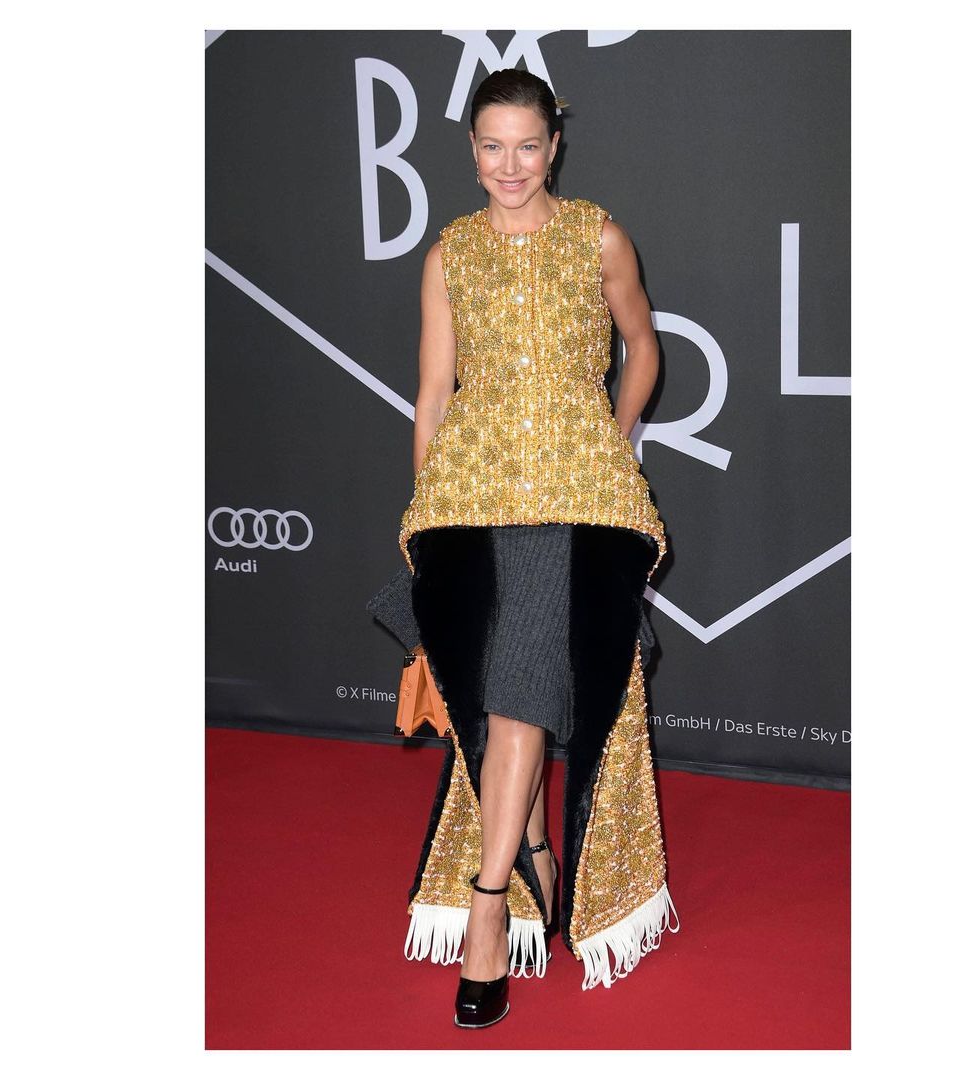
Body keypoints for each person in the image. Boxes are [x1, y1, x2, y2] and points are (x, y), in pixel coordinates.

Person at [367, 68, 678, 1029]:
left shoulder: (597, 236)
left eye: (528, 146)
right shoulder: (450, 253)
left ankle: (489, 909)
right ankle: (536, 853)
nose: (511, 165)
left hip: (572, 499)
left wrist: (609, 435)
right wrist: (424, 515)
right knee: (496, 686)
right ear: (471, 150)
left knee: (517, 691)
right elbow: (432, 395)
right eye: (493, 146)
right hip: (468, 500)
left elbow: (643, 345)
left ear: (555, 147)